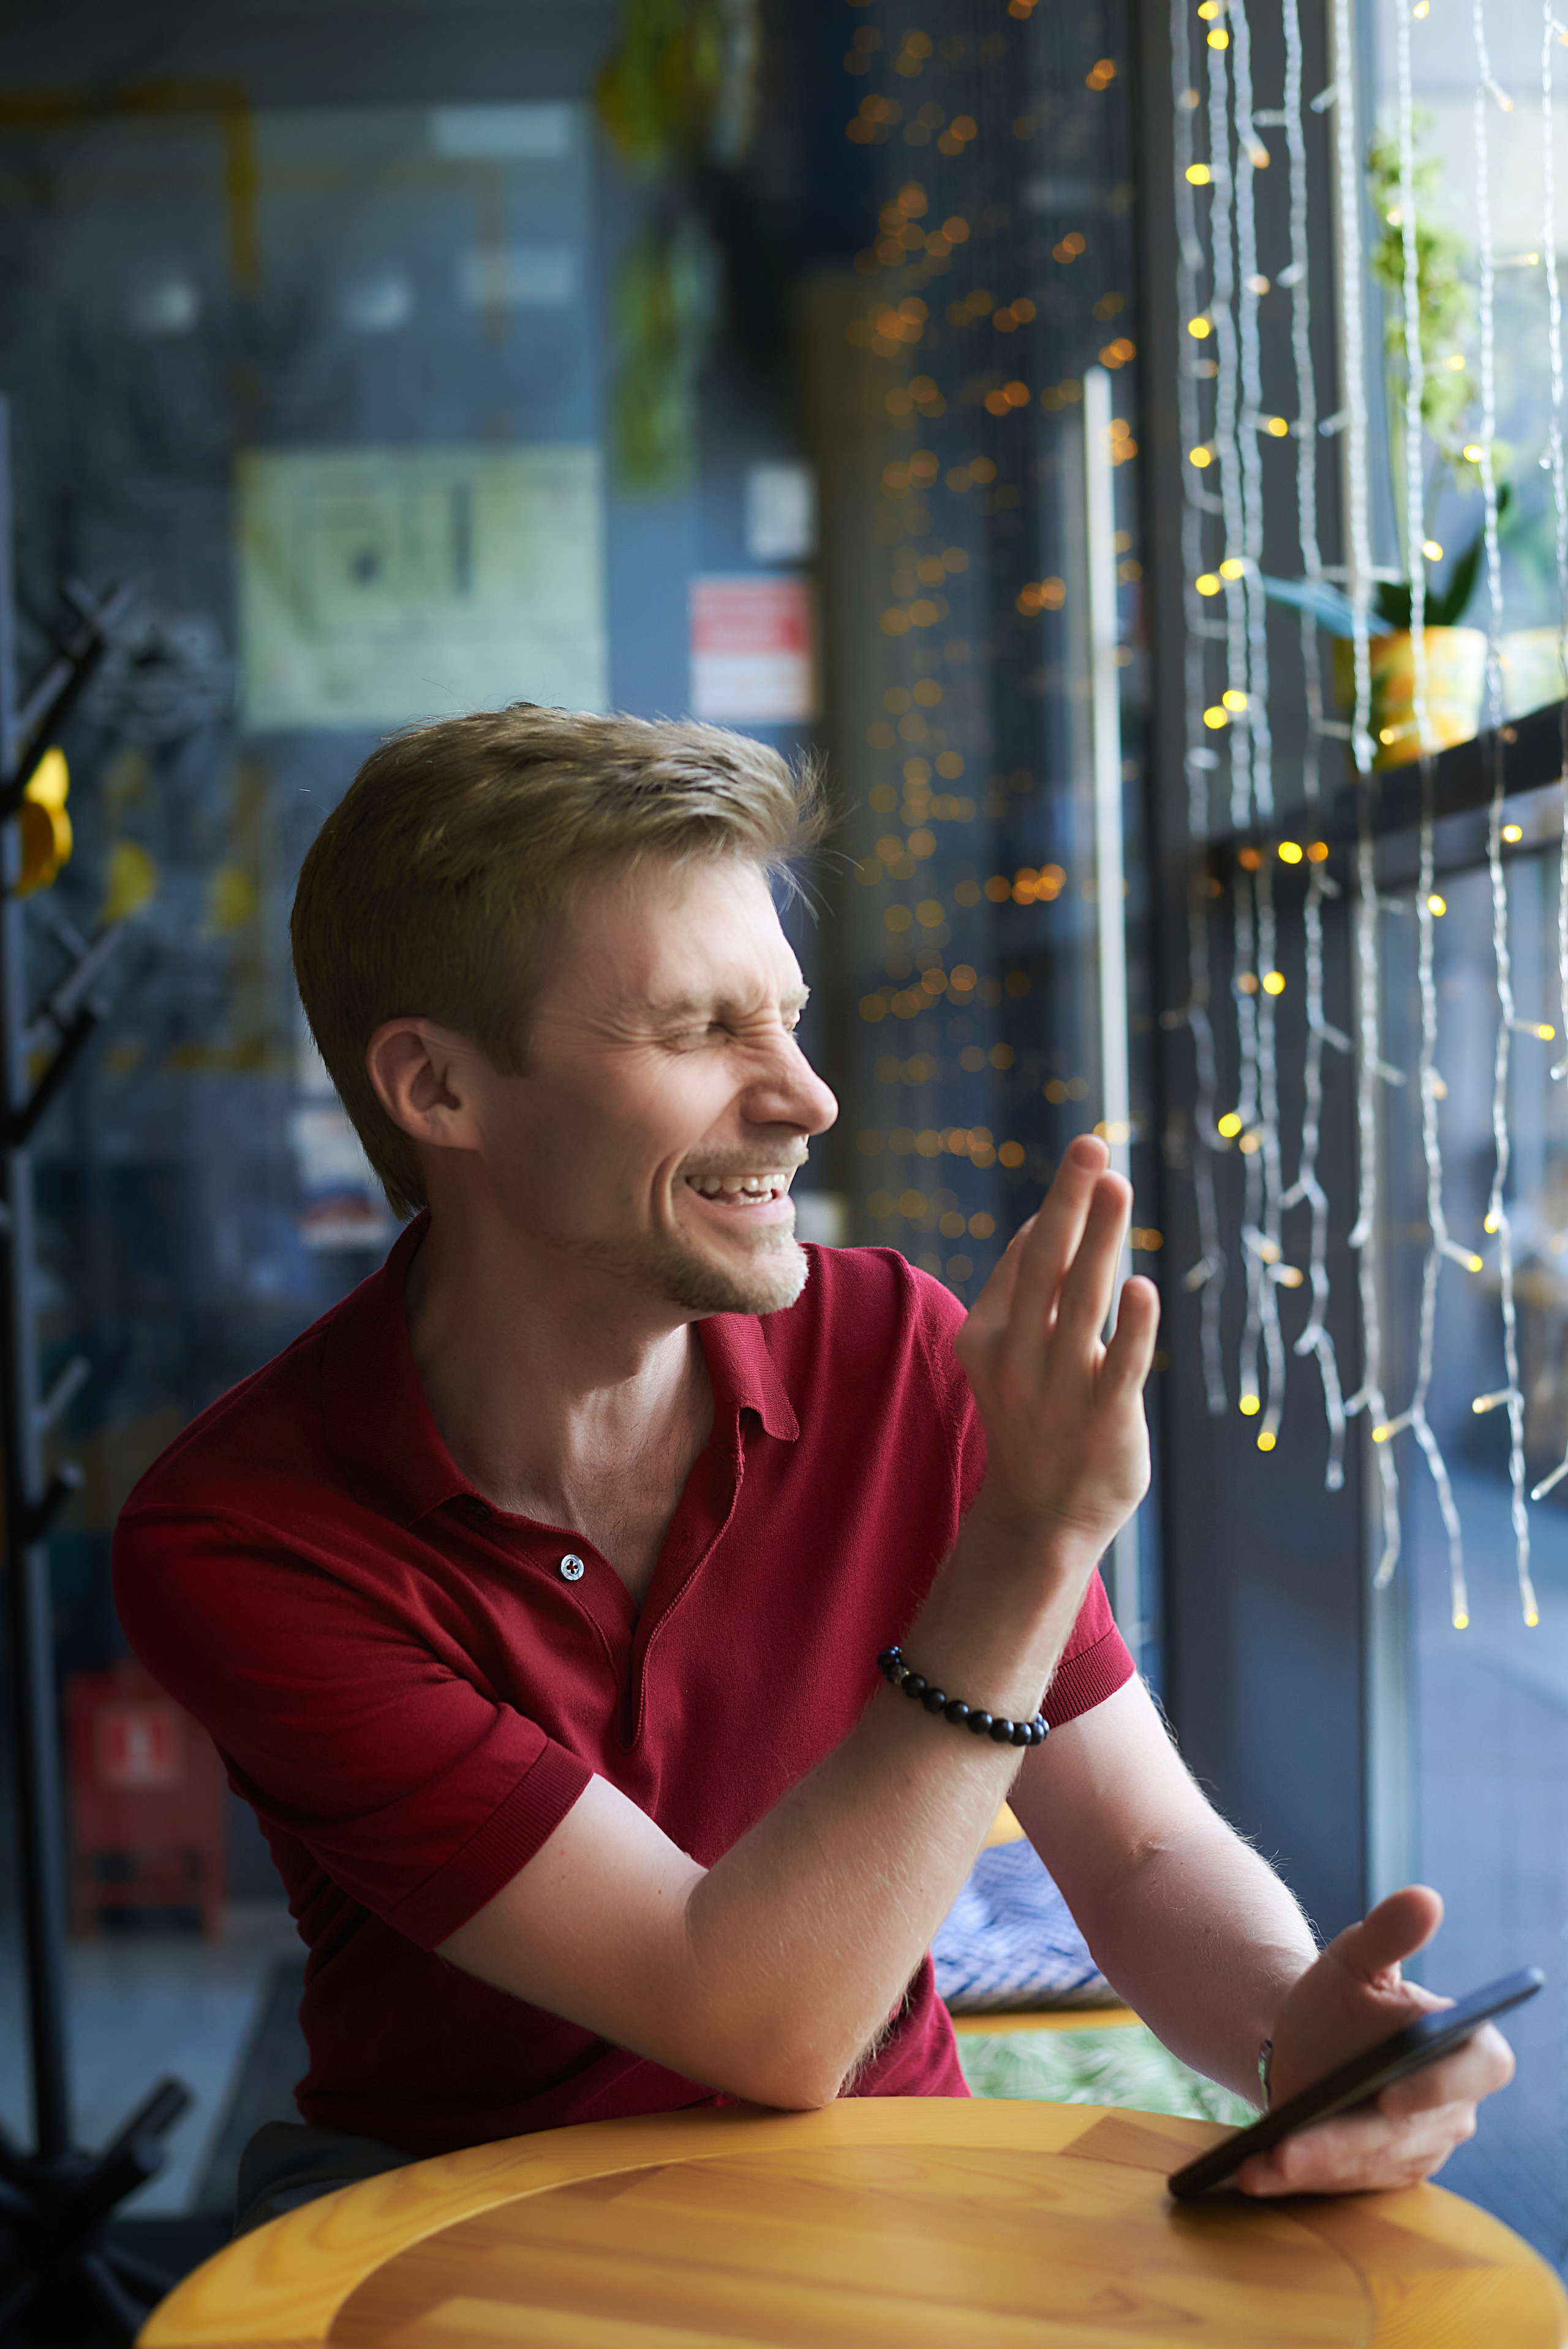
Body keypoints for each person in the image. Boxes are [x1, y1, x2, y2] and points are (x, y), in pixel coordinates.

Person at [115, 706, 1512, 2234]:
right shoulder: (244, 1535)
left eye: (785, 1017)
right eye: (698, 1030)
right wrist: (1030, 1543)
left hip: (882, 2198)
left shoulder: (896, 1353)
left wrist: (1291, 2034)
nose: (803, 1095)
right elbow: (750, 2021)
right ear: (438, 1089)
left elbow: (1136, 1847)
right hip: (474, 2234)